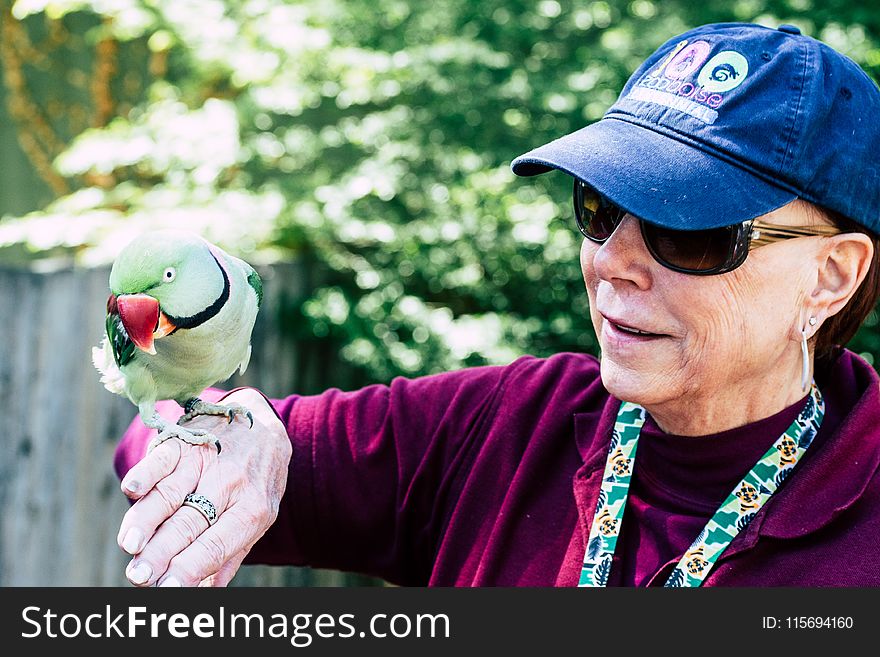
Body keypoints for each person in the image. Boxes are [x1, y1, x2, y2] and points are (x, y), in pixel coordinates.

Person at [113, 22, 880, 587]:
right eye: (599, 205)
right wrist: (233, 435)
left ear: (832, 276)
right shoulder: (506, 427)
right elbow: (143, 447)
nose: (611, 258)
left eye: (694, 231)